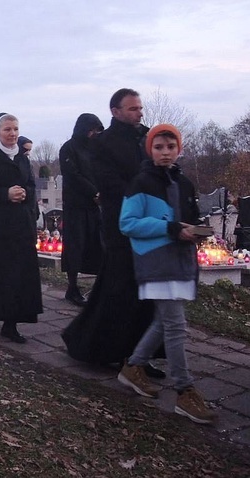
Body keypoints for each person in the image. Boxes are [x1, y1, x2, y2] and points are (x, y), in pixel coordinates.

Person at [117, 124, 216, 424]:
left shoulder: (183, 182)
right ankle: (184, 391)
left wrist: (196, 228)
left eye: (170, 147)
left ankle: (133, 367)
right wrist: (171, 228)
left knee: (164, 322)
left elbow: (188, 216)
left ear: (178, 149)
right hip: (156, 261)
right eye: (158, 147)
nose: (164, 152)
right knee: (176, 325)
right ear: (150, 149)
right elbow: (128, 223)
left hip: (180, 260)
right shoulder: (140, 182)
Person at [62, 88, 163, 377]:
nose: (139, 113)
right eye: (132, 109)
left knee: (145, 293)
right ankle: (121, 354)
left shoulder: (146, 137)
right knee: (122, 292)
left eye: (140, 108)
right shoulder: (103, 144)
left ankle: (141, 354)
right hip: (122, 224)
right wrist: (143, 194)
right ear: (115, 112)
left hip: (151, 224)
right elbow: (109, 183)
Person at [0, 113, 42, 342]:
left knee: (18, 276)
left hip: (20, 226)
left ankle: (11, 324)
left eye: (15, 129)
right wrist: (5, 194)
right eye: (7, 130)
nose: (12, 134)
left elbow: (31, 186)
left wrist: (25, 194)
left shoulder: (22, 159)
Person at [59, 114, 105, 306]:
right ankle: (72, 287)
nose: (93, 134)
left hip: (94, 207)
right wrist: (93, 192)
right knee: (76, 246)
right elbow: (73, 175)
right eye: (91, 130)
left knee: (98, 245)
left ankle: (99, 288)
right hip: (76, 205)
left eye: (96, 131)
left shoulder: (96, 149)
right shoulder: (68, 148)